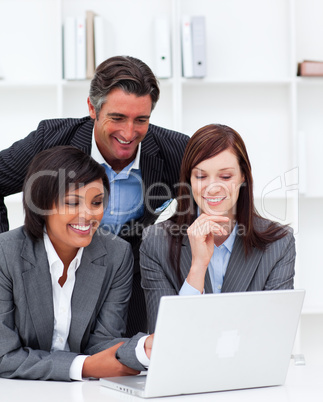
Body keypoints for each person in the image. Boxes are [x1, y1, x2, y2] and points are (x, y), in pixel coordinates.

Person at [0, 55, 189, 336]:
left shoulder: (175, 150)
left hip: (127, 278)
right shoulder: (50, 139)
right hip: (53, 272)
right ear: (92, 108)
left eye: (141, 120)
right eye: (117, 118)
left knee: (124, 360)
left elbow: (209, 207)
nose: (129, 133)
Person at [0, 146, 153, 381]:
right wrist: (83, 367)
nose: (88, 215)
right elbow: (4, 357)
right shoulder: (5, 253)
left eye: (96, 202)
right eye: (72, 203)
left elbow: (103, 341)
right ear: (41, 204)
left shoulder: (117, 254)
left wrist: (142, 349)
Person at [140, 124, 296, 333]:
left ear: (243, 177)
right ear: (189, 180)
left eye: (225, 177)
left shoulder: (279, 243)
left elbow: (276, 332)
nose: (213, 187)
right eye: (201, 176)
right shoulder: (155, 242)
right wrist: (197, 267)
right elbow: (161, 338)